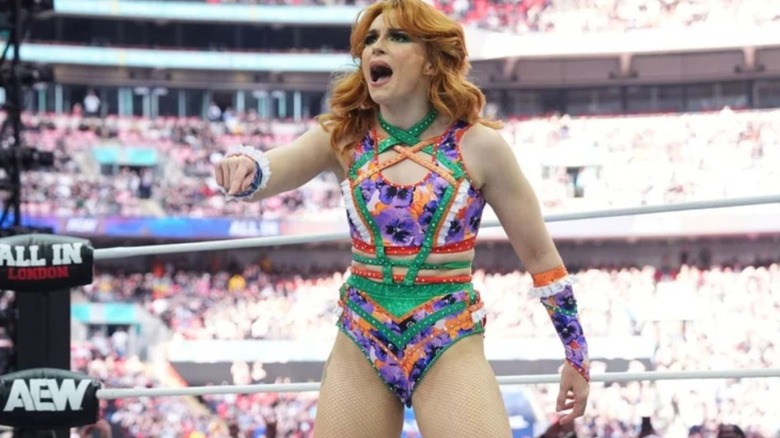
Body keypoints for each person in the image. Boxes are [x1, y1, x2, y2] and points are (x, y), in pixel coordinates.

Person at [214, 0, 590, 436]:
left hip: (447, 338)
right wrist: (246, 167)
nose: (377, 48)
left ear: (432, 61)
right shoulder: (343, 136)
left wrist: (576, 356)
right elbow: (277, 166)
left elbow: (541, 257)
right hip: (361, 338)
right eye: (371, 39)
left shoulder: (481, 146)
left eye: (397, 37)